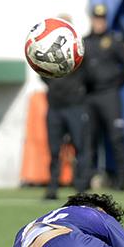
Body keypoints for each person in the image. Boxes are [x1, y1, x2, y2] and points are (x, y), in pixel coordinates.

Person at [82, 4, 124, 191]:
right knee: (89, 139)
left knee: (116, 137)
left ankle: (121, 180)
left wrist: (116, 84)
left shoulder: (114, 41)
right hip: (91, 96)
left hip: (109, 95)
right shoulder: (85, 42)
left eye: (102, 19)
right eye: (96, 19)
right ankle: (86, 179)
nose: (99, 23)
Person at [42, 24, 91, 200]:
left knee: (80, 147)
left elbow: (89, 74)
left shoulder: (79, 50)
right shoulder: (48, 51)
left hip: (75, 106)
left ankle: (80, 189)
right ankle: (52, 187)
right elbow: (42, 73)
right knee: (54, 150)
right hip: (55, 106)